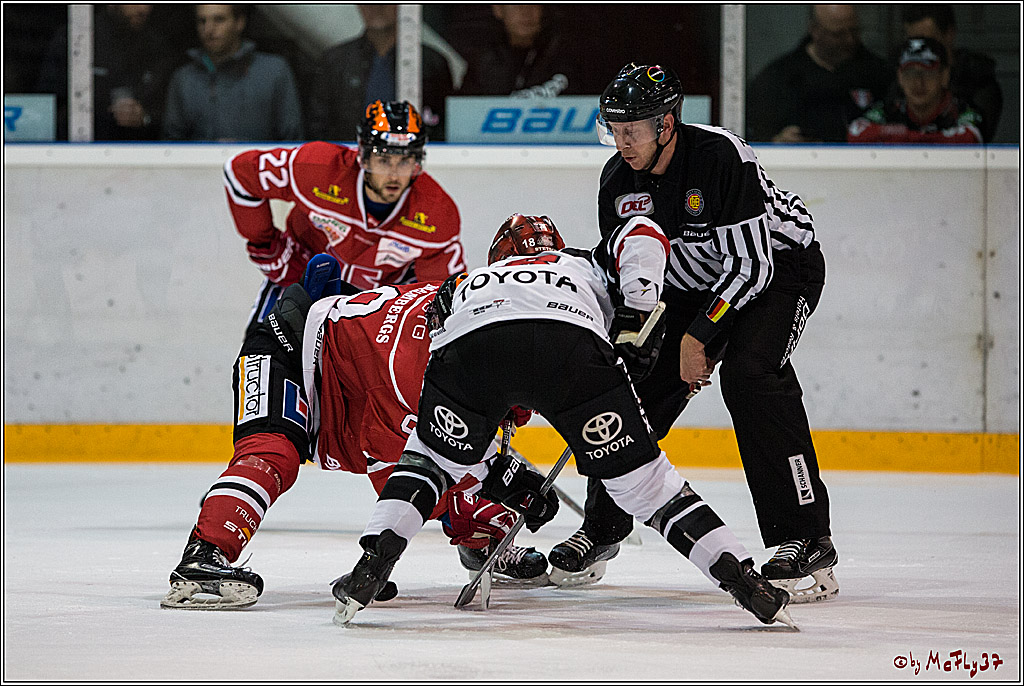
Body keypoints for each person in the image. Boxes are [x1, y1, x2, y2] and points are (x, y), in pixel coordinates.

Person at [330, 214, 796, 629]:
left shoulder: (467, 282)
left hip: (473, 350)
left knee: (428, 463)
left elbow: (437, 338)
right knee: (650, 487)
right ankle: (743, 579)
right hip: (571, 349)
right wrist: (639, 312)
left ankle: (371, 564)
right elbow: (643, 232)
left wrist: (491, 458)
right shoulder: (582, 262)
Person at [549, 63, 837, 604]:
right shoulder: (617, 181)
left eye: (633, 130)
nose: (622, 143)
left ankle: (804, 537)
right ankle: (603, 527)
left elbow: (751, 268)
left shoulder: (719, 156)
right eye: (614, 130)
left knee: (752, 374)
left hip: (778, 271)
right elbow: (631, 269)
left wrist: (698, 336)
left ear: (666, 124)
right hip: (688, 285)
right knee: (631, 387)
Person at [161, 256, 546, 609]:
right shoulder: (413, 370)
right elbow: (400, 465)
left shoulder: (467, 320)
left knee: (461, 461)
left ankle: (480, 541)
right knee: (273, 454)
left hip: (348, 388)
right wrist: (492, 478)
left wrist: (491, 472)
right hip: (288, 352)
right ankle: (202, 557)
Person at [223, 99, 465, 329]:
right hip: (299, 287)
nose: (394, 174)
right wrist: (267, 244)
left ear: (417, 161)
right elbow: (240, 173)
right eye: (383, 160)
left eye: (404, 161)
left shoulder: (436, 214)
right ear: (364, 156)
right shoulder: (318, 169)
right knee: (260, 357)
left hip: (375, 314)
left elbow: (442, 297)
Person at [306, 5, 454, 142]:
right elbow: (318, 125)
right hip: (350, 157)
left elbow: (444, 125)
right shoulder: (334, 61)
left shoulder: (431, 63)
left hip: (412, 158)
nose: (377, 7)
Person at [745, 4, 892, 142]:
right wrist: (778, 142)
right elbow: (756, 137)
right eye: (838, 34)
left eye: (854, 31)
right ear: (815, 30)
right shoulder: (779, 78)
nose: (849, 39)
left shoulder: (878, 72)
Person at [162, 4, 303, 141]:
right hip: (199, 158)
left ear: (239, 22)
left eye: (219, 19)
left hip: (259, 157)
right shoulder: (183, 78)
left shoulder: (273, 71)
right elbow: (169, 144)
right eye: (202, 21)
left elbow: (292, 139)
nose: (208, 29)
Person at [847, 38, 984, 144]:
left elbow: (970, 137)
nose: (918, 83)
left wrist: (904, 137)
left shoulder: (961, 111)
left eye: (927, 74)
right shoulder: (891, 109)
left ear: (944, 76)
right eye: (910, 74)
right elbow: (855, 133)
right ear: (900, 77)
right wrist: (903, 133)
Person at [901, 4, 1002, 142]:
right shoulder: (899, 83)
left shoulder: (978, 81)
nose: (919, 49)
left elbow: (976, 138)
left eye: (928, 41)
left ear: (949, 34)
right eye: (912, 42)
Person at [457, 5, 581, 97]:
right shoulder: (481, 64)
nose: (526, 11)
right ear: (498, 9)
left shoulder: (568, 57)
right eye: (516, 4)